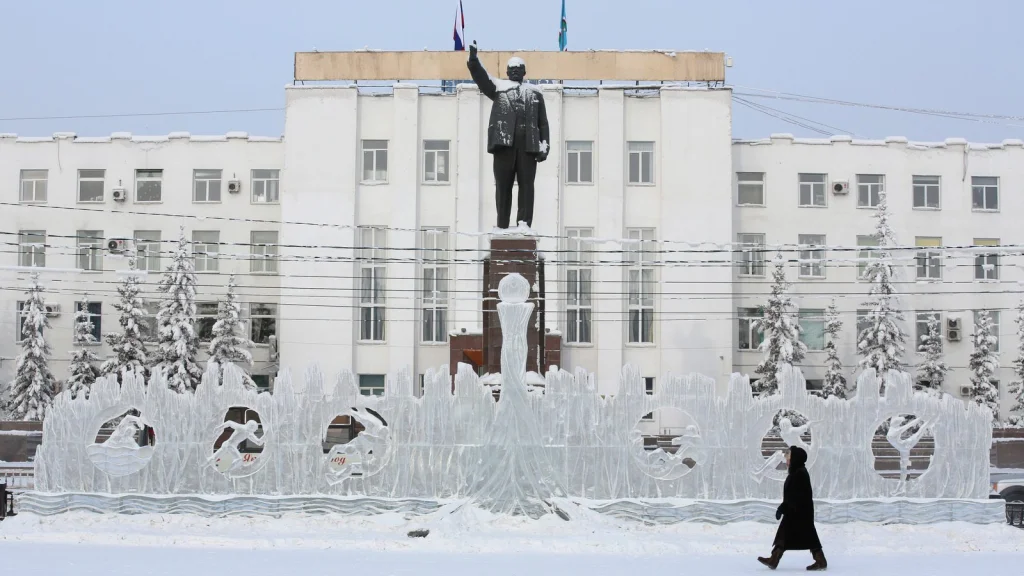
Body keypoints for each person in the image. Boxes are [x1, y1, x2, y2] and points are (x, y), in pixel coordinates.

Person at [466, 42, 550, 229]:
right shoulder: (498, 88)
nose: (514, 72)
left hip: (528, 147)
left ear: (524, 72)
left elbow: (543, 122)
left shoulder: (535, 93)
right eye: (511, 69)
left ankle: (524, 224)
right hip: (504, 146)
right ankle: (502, 225)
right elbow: (482, 78)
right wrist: (473, 61)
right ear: (506, 72)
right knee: (503, 188)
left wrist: (545, 146)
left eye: (518, 69)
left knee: (527, 187)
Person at [757, 446, 827, 571]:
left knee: (792, 534)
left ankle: (775, 559)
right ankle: (775, 559)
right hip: (797, 510)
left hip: (799, 511)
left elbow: (796, 495)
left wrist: (783, 508)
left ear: (795, 459)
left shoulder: (800, 473)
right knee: (796, 535)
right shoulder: (797, 471)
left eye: (788, 457)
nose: (786, 460)